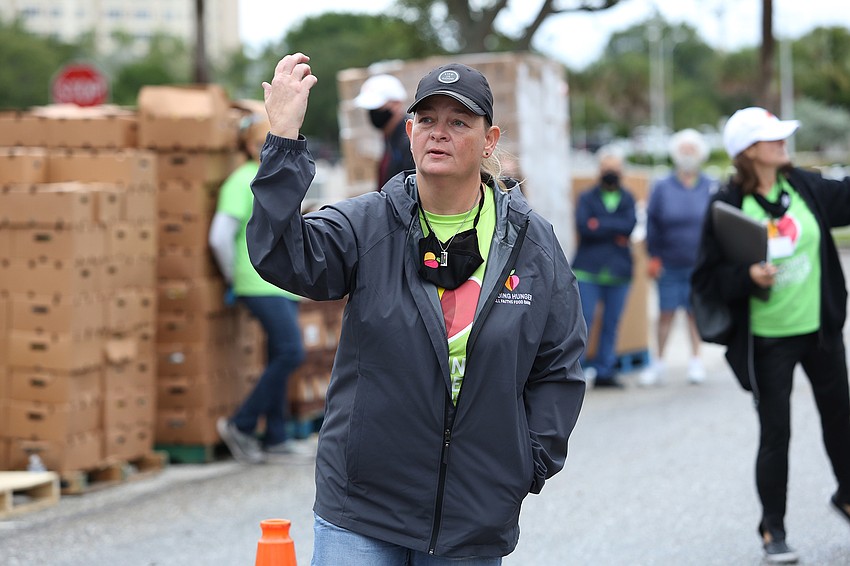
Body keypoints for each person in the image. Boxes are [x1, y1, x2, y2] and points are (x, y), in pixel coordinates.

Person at [248, 53, 587, 565]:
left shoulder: (530, 242)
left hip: (473, 512)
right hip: (361, 508)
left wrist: (527, 462)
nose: (439, 133)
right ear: (408, 133)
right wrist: (284, 142)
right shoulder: (367, 224)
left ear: (489, 140)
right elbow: (280, 255)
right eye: (427, 120)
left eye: (458, 122)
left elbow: (558, 363)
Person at [691, 107, 850, 564]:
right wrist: (748, 277)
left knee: (841, 421)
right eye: (772, 138)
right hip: (767, 341)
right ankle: (772, 529)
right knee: (776, 432)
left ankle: (846, 496)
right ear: (748, 152)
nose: (783, 142)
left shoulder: (804, 185)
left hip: (821, 331)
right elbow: (707, 280)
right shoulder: (725, 206)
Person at [208, 111, 306, 464]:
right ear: (251, 146)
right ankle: (241, 424)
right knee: (292, 352)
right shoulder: (242, 181)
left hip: (281, 285)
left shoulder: (271, 178)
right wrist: (234, 279)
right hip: (259, 283)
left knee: (278, 354)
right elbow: (219, 236)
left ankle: (276, 437)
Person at [639, 128, 715, 386]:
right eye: (683, 150)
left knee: (695, 314)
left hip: (700, 263)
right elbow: (653, 223)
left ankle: (696, 361)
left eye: (692, 150)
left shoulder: (710, 185)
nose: (687, 155)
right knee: (666, 313)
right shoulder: (662, 186)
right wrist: (653, 256)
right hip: (669, 262)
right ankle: (658, 363)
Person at [572, 149, 637, 388]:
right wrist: (614, 229)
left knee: (612, 323)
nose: (611, 173)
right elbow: (584, 227)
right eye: (606, 168)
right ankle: (574, 373)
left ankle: (605, 372)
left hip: (618, 273)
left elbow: (629, 226)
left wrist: (599, 223)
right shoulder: (587, 197)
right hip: (588, 270)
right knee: (583, 322)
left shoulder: (628, 198)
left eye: (615, 169)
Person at [354, 73, 416, 190]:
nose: (373, 113)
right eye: (370, 109)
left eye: (377, 107)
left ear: (397, 104)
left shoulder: (409, 141)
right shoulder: (390, 138)